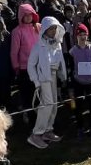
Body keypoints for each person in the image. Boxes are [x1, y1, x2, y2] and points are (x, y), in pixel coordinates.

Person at [27, 16, 67, 149]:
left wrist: (63, 75)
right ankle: (36, 134)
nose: (53, 31)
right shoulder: (38, 46)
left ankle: (48, 130)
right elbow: (31, 65)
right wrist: (36, 82)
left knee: (54, 105)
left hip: (54, 76)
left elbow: (60, 61)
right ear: (44, 30)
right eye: (51, 29)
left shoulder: (57, 44)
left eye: (55, 28)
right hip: (43, 78)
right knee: (47, 105)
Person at [67, 24, 91, 136]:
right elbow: (71, 69)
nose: (82, 37)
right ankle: (80, 127)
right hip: (78, 82)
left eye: (84, 34)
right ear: (76, 36)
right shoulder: (72, 52)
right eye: (80, 35)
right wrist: (71, 86)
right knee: (78, 106)